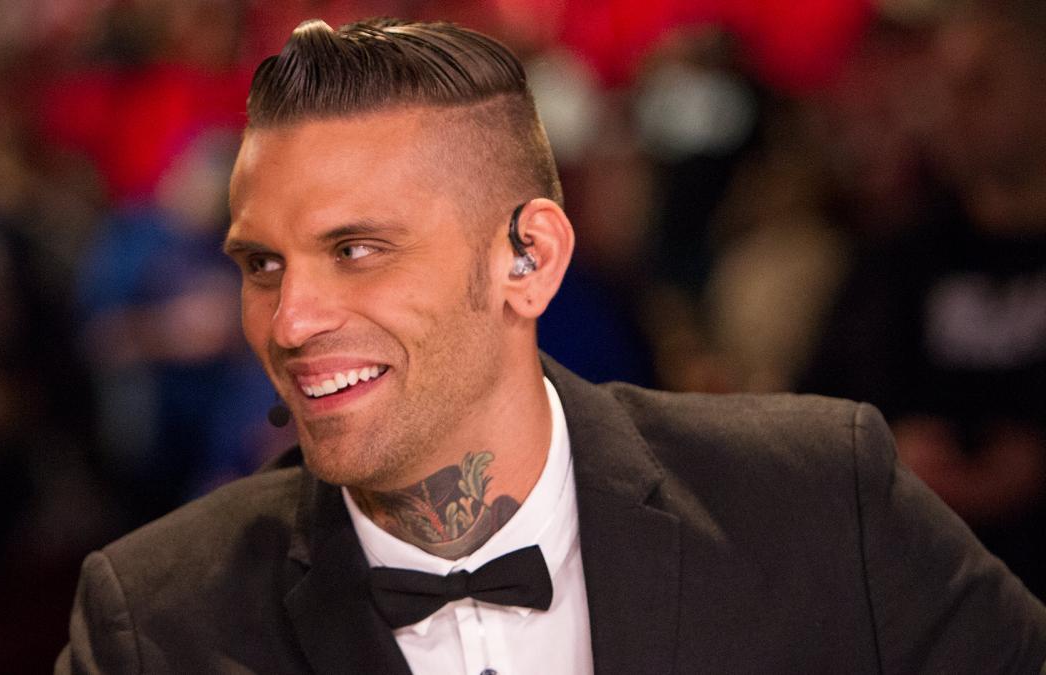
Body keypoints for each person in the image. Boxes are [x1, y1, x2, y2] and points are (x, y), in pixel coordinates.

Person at [57, 18, 1046, 674]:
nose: (289, 320)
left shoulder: (818, 500)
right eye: (262, 264)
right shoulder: (154, 623)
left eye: (356, 250)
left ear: (528, 259)